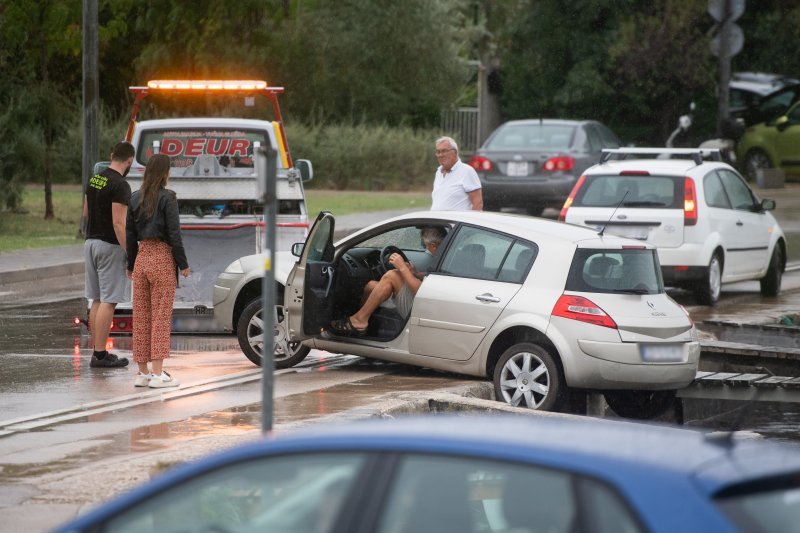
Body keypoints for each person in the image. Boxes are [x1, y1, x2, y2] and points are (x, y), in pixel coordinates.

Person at [126, 154, 191, 388]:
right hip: (162, 257)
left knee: (141, 316)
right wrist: (183, 264)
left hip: (142, 257)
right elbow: (174, 234)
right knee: (161, 316)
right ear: (164, 173)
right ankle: (158, 373)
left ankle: (142, 373)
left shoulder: (134, 198)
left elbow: (130, 234)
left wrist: (130, 264)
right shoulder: (168, 197)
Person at [329, 227, 447, 335]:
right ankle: (359, 322)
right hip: (431, 303)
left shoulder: (445, 259)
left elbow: (420, 291)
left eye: (425, 245)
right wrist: (417, 274)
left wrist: (402, 267)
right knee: (371, 286)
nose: (425, 248)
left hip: (425, 307)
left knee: (391, 276)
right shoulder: (447, 256)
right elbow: (434, 277)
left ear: (434, 246)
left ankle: (360, 321)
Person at [84, 141, 135, 368]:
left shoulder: (95, 179)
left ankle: (97, 351)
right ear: (129, 160)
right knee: (109, 300)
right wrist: (130, 251)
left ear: (111, 155)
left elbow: (86, 213)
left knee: (96, 299)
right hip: (109, 246)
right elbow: (118, 223)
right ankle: (102, 354)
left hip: (91, 243)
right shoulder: (121, 185)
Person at [431, 136, 483, 211]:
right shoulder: (438, 172)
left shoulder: (467, 171)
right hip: (438, 222)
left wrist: (468, 222)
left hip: (457, 222)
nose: (440, 155)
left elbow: (478, 203)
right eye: (438, 152)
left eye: (444, 151)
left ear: (455, 152)